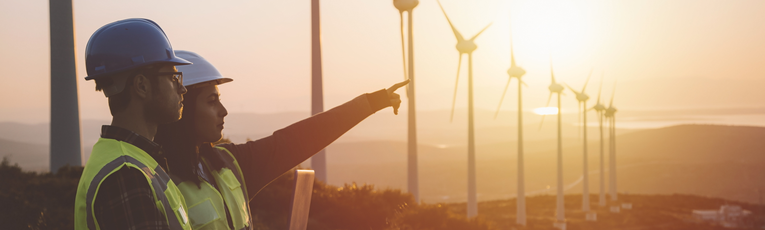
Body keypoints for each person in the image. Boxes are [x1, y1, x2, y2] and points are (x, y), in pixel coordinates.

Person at [154, 50, 409, 230]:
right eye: (212, 101)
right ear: (183, 110)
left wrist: (372, 103)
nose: (223, 111)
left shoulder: (229, 164)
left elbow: (300, 139)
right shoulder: (155, 178)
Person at [74, 19, 193, 230]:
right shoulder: (126, 175)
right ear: (141, 86)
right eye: (174, 77)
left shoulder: (132, 161)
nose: (182, 89)